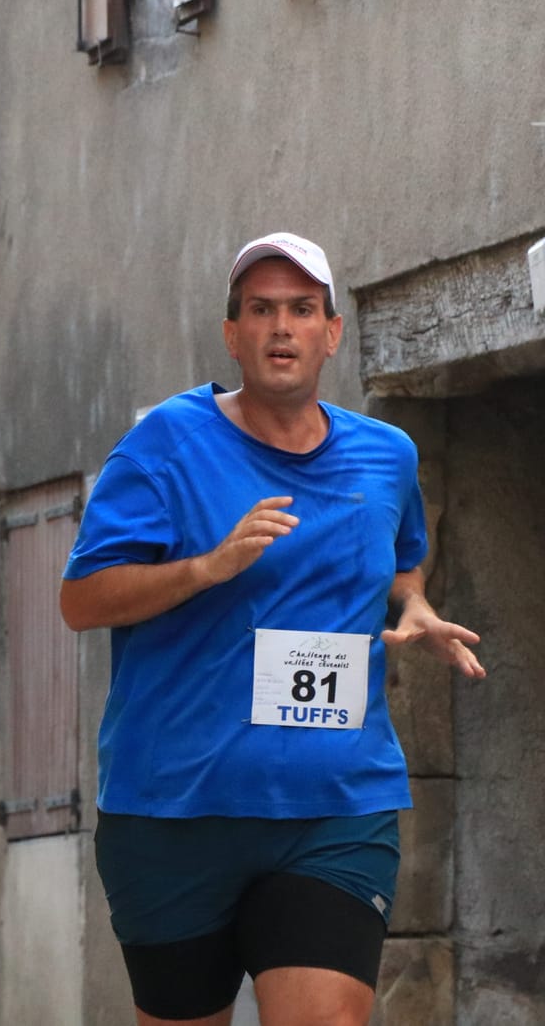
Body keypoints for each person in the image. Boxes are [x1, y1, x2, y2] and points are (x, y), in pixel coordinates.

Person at [60, 232, 486, 1026]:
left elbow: (399, 558)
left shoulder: (386, 455)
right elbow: (81, 599)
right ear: (232, 334)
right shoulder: (167, 445)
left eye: (300, 309)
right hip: (175, 807)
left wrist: (414, 605)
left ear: (332, 332)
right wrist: (205, 567)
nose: (281, 327)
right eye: (260, 310)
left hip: (332, 801)